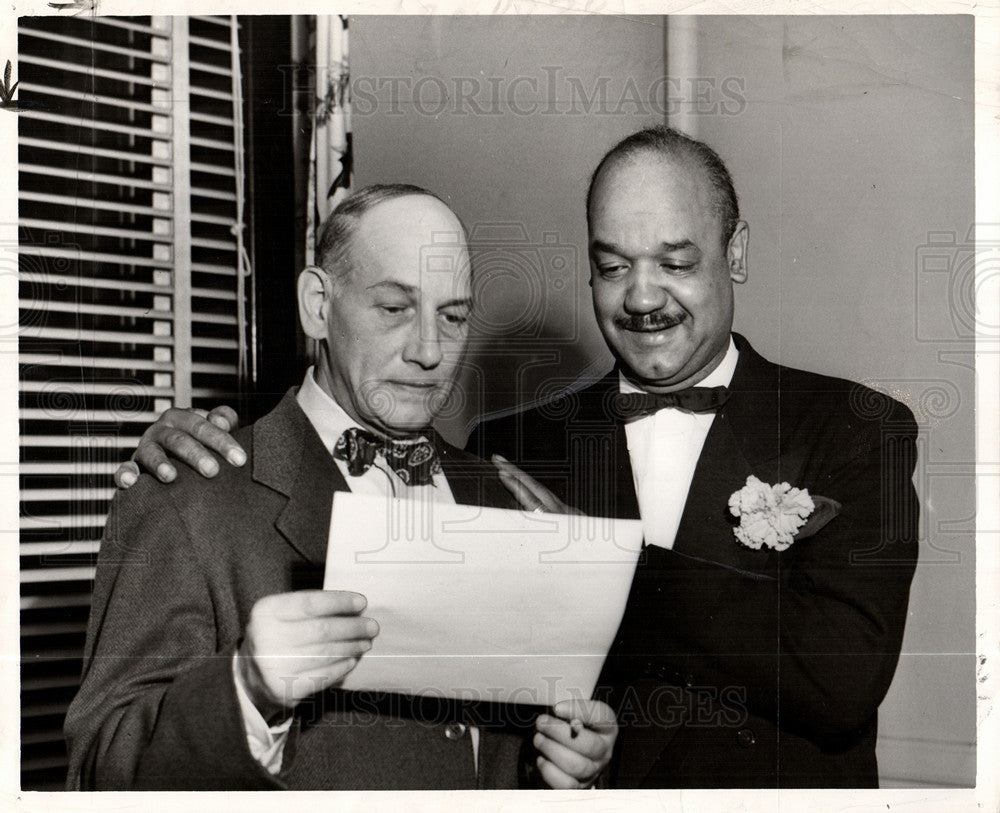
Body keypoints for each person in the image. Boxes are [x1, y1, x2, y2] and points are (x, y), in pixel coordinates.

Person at [116, 127, 920, 788]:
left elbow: (840, 681)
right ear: (318, 306)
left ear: (735, 251)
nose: (642, 296)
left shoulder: (857, 427)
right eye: (611, 266)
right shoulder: (513, 452)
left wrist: (580, 756)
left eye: (676, 262)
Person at [65, 184, 617, 791]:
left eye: (453, 316)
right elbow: (99, 771)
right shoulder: (185, 496)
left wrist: (569, 772)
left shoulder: (506, 501)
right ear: (317, 306)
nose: (430, 351)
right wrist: (245, 688)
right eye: (394, 309)